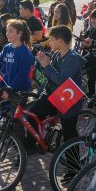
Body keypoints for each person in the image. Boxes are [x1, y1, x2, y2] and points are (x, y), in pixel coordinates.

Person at [27, 25, 83, 153]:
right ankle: (32, 145)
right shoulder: (57, 54)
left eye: (51, 39)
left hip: (68, 100)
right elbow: (50, 75)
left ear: (60, 41)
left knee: (69, 134)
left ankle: (74, 167)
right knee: (32, 115)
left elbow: (61, 80)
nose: (49, 42)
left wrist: (47, 66)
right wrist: (42, 63)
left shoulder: (72, 59)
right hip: (54, 94)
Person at [0, 19, 33, 95]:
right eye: (7, 31)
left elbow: (21, 76)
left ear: (19, 33)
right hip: (5, 87)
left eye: (10, 31)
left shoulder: (25, 53)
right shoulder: (7, 47)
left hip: (19, 91)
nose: (7, 34)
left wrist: (9, 91)